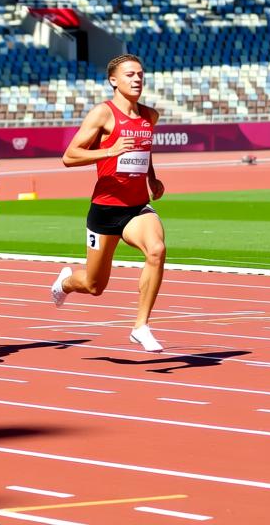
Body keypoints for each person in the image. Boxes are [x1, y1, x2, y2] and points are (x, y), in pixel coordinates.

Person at [50, 54, 167, 353]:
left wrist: (151, 178)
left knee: (156, 250)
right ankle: (65, 283)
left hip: (136, 206)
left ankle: (141, 326)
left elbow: (143, 149)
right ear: (114, 80)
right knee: (94, 286)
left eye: (141, 74)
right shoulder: (103, 114)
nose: (138, 79)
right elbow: (69, 156)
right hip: (105, 209)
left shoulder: (149, 116)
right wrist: (109, 151)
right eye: (130, 75)